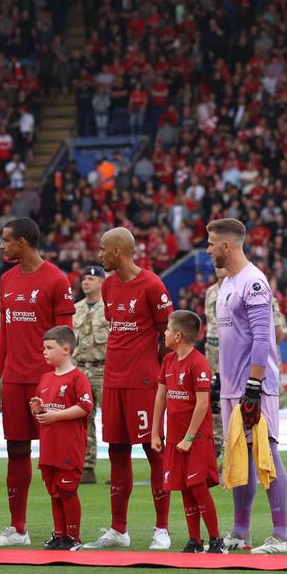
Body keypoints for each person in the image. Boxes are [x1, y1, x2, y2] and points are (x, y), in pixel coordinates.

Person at [81, 227, 173, 551]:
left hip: (144, 382)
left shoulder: (151, 285)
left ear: (118, 252)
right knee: (117, 451)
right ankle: (119, 529)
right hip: (114, 380)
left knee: (154, 450)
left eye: (103, 249)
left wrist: (162, 374)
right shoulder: (108, 286)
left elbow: (169, 334)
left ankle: (162, 528)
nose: (99, 255)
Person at [207, 219, 287, 554]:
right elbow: (228, 339)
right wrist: (220, 379)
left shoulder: (253, 282)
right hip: (232, 386)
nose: (208, 249)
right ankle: (241, 531)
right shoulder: (227, 283)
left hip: (253, 386)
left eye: (212, 243)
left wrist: (254, 384)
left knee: (266, 454)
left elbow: (262, 337)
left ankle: (281, 535)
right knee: (238, 456)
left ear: (227, 246)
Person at [0, 218, 75, 546]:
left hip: (46, 381)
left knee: (53, 453)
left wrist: (59, 377)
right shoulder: (6, 279)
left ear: (23, 243)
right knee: (16, 449)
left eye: (6, 240)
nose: (1, 245)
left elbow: (66, 335)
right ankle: (18, 528)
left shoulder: (55, 279)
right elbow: (5, 334)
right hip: (14, 380)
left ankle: (64, 528)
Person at [150, 310, 224, 554]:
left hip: (196, 439)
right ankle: (195, 540)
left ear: (179, 335)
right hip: (174, 438)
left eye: (168, 330)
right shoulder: (168, 361)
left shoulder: (198, 362)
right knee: (182, 487)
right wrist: (155, 432)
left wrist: (189, 437)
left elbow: (203, 404)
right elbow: (161, 396)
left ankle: (216, 540)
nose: (165, 334)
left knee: (198, 488)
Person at [30, 325, 93, 550]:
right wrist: (38, 410)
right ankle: (60, 534)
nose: (44, 352)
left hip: (69, 446)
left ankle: (73, 537)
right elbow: (42, 413)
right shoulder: (45, 378)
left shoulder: (77, 378)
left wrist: (55, 416)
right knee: (54, 492)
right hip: (49, 446)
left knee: (67, 491)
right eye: (44, 348)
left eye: (49, 348)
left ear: (65, 350)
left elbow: (85, 406)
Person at [72, 264, 108, 484]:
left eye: (92, 279)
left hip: (105, 368)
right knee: (83, 419)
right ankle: (87, 467)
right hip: (81, 368)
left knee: (113, 419)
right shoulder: (76, 309)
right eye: (84, 279)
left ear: (102, 282)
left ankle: (120, 467)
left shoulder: (110, 308)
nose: (86, 282)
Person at [204, 268, 227, 455]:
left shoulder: (235, 288)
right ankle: (216, 440)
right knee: (211, 393)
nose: (219, 269)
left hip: (227, 346)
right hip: (211, 346)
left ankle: (227, 441)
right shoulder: (210, 291)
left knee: (227, 393)